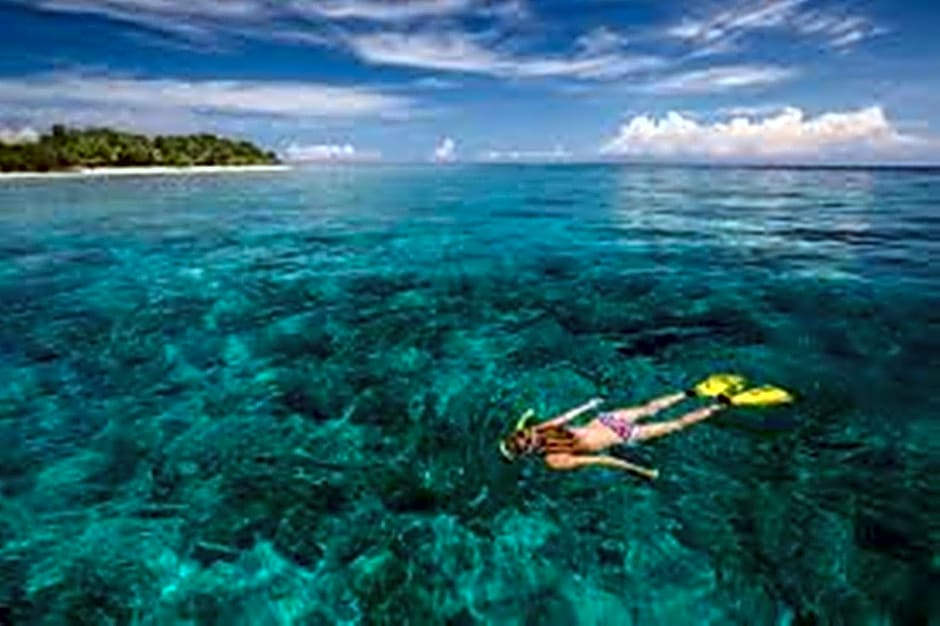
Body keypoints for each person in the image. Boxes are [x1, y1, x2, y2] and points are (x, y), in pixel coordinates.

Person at [498, 374, 793, 480]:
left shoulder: (553, 460)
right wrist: (590, 406)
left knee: (677, 424)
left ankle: (725, 403)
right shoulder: (543, 429)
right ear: (526, 436)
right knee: (652, 407)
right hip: (606, 419)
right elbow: (566, 416)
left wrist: (642, 472)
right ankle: (694, 391)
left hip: (624, 436)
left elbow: (603, 459)